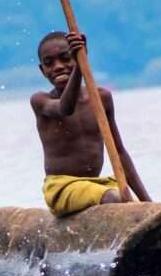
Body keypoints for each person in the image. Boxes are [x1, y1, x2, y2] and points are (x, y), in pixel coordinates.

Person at [31, 31, 151, 217]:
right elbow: (65, 108)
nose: (58, 67)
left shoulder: (101, 98)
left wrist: (149, 204)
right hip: (62, 187)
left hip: (96, 184)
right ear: (42, 70)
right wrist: (79, 65)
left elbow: (119, 153)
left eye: (66, 58)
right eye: (49, 63)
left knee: (130, 202)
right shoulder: (41, 100)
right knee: (116, 199)